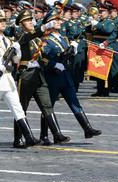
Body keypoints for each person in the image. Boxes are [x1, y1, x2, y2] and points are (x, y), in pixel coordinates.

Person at [0, 9, 39, 152]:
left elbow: (16, 60)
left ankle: (28, 137)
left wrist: (17, 52)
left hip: (8, 79)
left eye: (4, 21)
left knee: (17, 109)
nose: (3, 23)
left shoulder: (10, 40)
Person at [41, 8, 102, 139]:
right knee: (48, 106)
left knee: (74, 101)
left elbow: (66, 56)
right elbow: (42, 57)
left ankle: (87, 128)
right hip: (53, 77)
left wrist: (73, 49)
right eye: (55, 20)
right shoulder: (46, 39)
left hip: (66, 76)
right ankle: (45, 135)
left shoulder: (63, 38)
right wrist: (54, 64)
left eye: (58, 19)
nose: (58, 21)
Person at [15, 10, 70, 147]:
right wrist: (45, 27)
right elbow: (27, 37)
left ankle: (57, 133)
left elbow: (44, 55)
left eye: (31, 19)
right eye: (27, 21)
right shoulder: (20, 35)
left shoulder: (38, 38)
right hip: (26, 74)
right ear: (21, 24)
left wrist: (63, 56)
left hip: (39, 74)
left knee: (47, 104)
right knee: (21, 108)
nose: (30, 22)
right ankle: (18, 138)